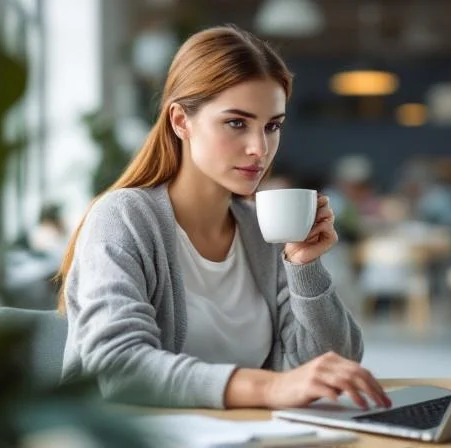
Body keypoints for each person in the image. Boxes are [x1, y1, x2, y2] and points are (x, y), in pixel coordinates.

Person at [56, 26, 389, 411]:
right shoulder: (124, 217)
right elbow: (116, 364)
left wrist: (305, 267)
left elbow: (333, 364)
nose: (259, 148)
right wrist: (267, 389)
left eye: (272, 126)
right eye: (236, 123)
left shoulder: (258, 228)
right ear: (181, 121)